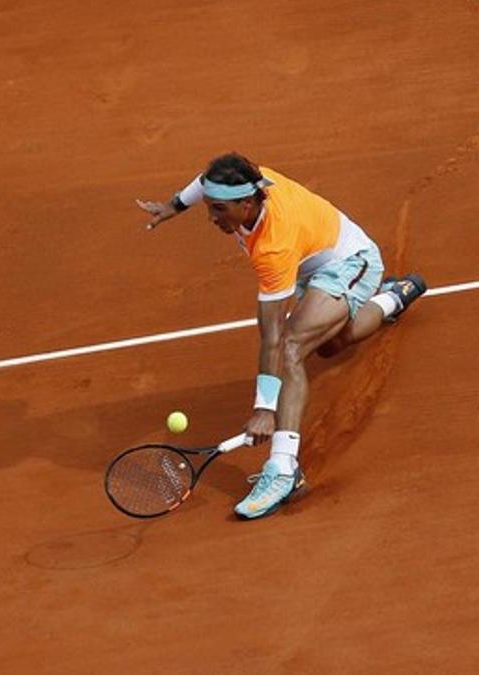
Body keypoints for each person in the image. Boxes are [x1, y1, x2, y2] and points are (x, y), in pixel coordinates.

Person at [137, 153, 426, 520]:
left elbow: (271, 335)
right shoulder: (248, 182)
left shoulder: (273, 247)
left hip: (349, 263)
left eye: (220, 211)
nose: (211, 218)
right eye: (209, 207)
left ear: (246, 203)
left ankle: (284, 469)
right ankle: (393, 297)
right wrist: (174, 205)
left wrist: (264, 409)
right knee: (333, 343)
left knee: (291, 345)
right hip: (309, 264)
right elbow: (206, 179)